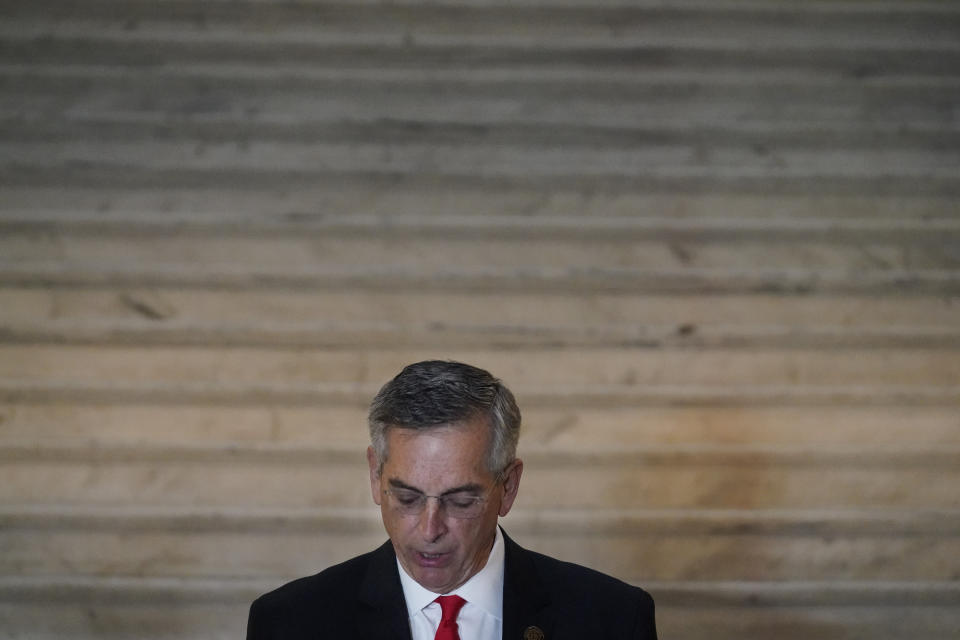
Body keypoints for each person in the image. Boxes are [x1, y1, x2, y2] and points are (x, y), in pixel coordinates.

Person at [247, 360, 657, 639]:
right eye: (407, 498)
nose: (429, 530)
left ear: (508, 486)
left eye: (460, 501)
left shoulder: (613, 619)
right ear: (375, 476)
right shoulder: (290, 622)